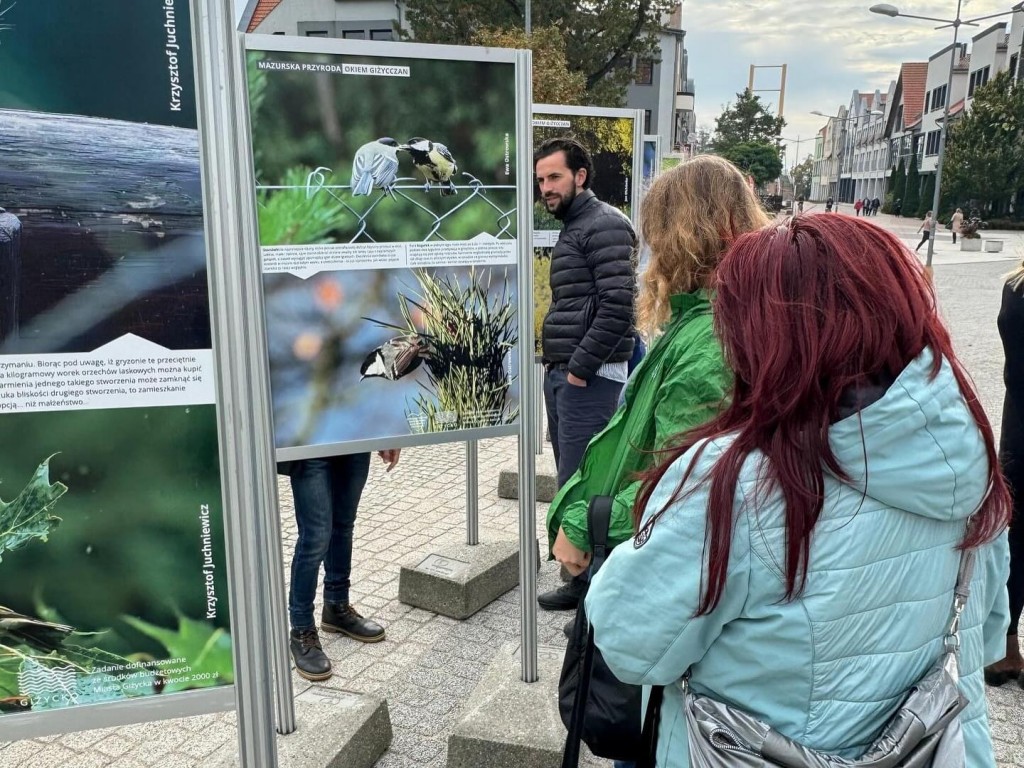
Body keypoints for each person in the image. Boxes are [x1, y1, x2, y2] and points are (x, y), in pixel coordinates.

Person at [586, 214, 1011, 767]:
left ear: (763, 339)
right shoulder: (967, 458)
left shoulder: (737, 482)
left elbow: (627, 641)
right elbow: (991, 632)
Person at [540, 156, 770, 621]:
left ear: (689, 234)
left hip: (650, 561)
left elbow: (680, 478)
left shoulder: (709, 339)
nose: (652, 254)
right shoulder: (707, 316)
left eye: (659, 234)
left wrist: (587, 527)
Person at [535, 136, 635, 494]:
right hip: (569, 378)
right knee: (571, 488)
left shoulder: (604, 224)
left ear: (580, 176)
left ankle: (586, 554)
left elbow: (620, 306)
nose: (546, 188)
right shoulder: (577, 225)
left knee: (582, 492)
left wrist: (579, 370)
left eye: (554, 178)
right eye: (542, 180)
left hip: (590, 380)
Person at [282, 450, 400, 680]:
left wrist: (389, 433)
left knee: (343, 525)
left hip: (354, 437)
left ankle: (336, 607)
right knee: (315, 537)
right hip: (311, 440)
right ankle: (301, 628)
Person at [986, 260, 1024, 688]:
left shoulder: (1015, 286)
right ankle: (1003, 645)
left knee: (1017, 539)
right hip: (1019, 432)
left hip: (1018, 431)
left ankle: (1003, 645)